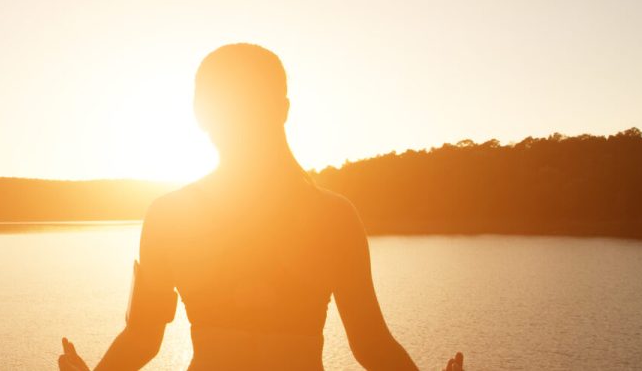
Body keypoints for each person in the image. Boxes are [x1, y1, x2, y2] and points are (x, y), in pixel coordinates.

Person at [57, 44, 462, 371]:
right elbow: (373, 348)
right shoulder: (333, 216)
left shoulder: (170, 215)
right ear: (283, 110)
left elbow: (141, 340)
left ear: (200, 115)